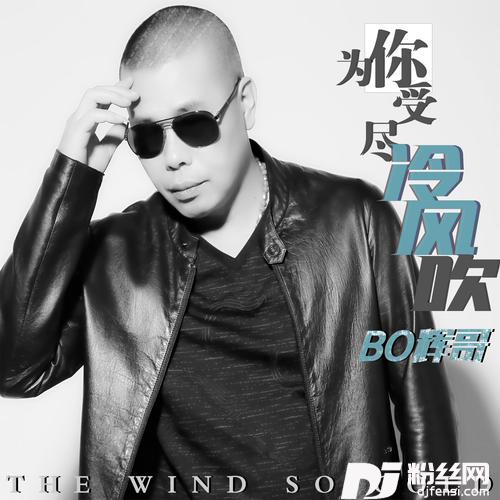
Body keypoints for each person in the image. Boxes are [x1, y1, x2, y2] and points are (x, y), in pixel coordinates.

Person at [0, 5, 458, 500]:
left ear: (246, 103)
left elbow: (425, 418)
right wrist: (74, 174)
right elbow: (15, 369)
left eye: (194, 124)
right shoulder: (115, 257)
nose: (173, 158)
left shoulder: (355, 219)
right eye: (147, 136)